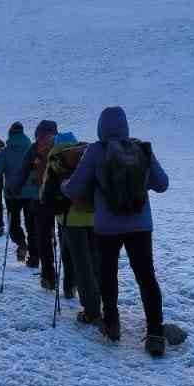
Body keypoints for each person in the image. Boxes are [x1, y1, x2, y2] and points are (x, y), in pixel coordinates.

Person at [62, 106, 169, 357]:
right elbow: (162, 184)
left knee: (108, 275)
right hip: (141, 226)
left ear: (101, 128)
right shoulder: (141, 148)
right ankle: (155, 333)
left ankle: (111, 324)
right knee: (146, 277)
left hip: (106, 228)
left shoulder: (95, 151)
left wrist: (64, 184)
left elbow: (76, 187)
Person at [42, 132, 100, 321]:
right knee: (95, 261)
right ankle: (100, 300)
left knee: (79, 262)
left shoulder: (56, 160)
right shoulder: (88, 156)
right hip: (94, 217)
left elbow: (46, 195)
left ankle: (83, 302)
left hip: (69, 221)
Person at [0, 122, 33, 262]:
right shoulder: (32, 148)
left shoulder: (5, 151)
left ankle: (21, 243)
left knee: (14, 224)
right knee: (32, 224)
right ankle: (34, 257)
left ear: (10, 134)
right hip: (32, 193)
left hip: (12, 193)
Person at [24, 120, 58, 288]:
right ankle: (71, 282)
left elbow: (23, 169)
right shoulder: (63, 143)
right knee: (68, 240)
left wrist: (14, 188)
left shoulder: (34, 147)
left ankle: (48, 277)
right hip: (64, 199)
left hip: (41, 197)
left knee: (43, 237)